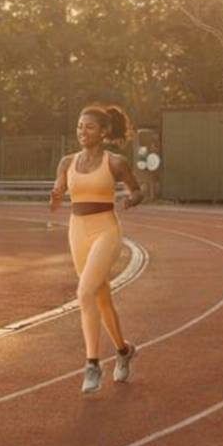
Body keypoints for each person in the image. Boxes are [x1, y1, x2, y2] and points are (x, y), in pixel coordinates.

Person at [51, 103, 144, 394]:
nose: (82, 131)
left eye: (89, 127)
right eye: (80, 126)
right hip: (77, 230)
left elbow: (137, 190)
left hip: (106, 230)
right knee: (100, 298)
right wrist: (54, 197)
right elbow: (58, 192)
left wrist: (131, 200)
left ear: (104, 132)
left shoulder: (115, 163)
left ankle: (92, 364)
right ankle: (124, 350)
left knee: (84, 292)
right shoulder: (67, 162)